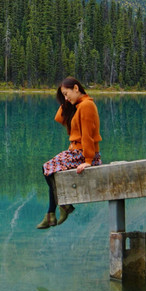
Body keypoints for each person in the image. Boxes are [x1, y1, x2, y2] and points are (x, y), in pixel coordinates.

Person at [36, 76, 102, 229]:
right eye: (63, 95)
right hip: (76, 152)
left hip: (82, 154)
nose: (66, 98)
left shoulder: (86, 106)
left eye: (67, 94)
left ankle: (59, 208)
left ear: (76, 88)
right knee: (49, 170)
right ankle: (53, 212)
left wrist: (88, 160)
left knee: (47, 168)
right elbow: (59, 118)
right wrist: (67, 100)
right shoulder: (79, 105)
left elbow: (87, 135)